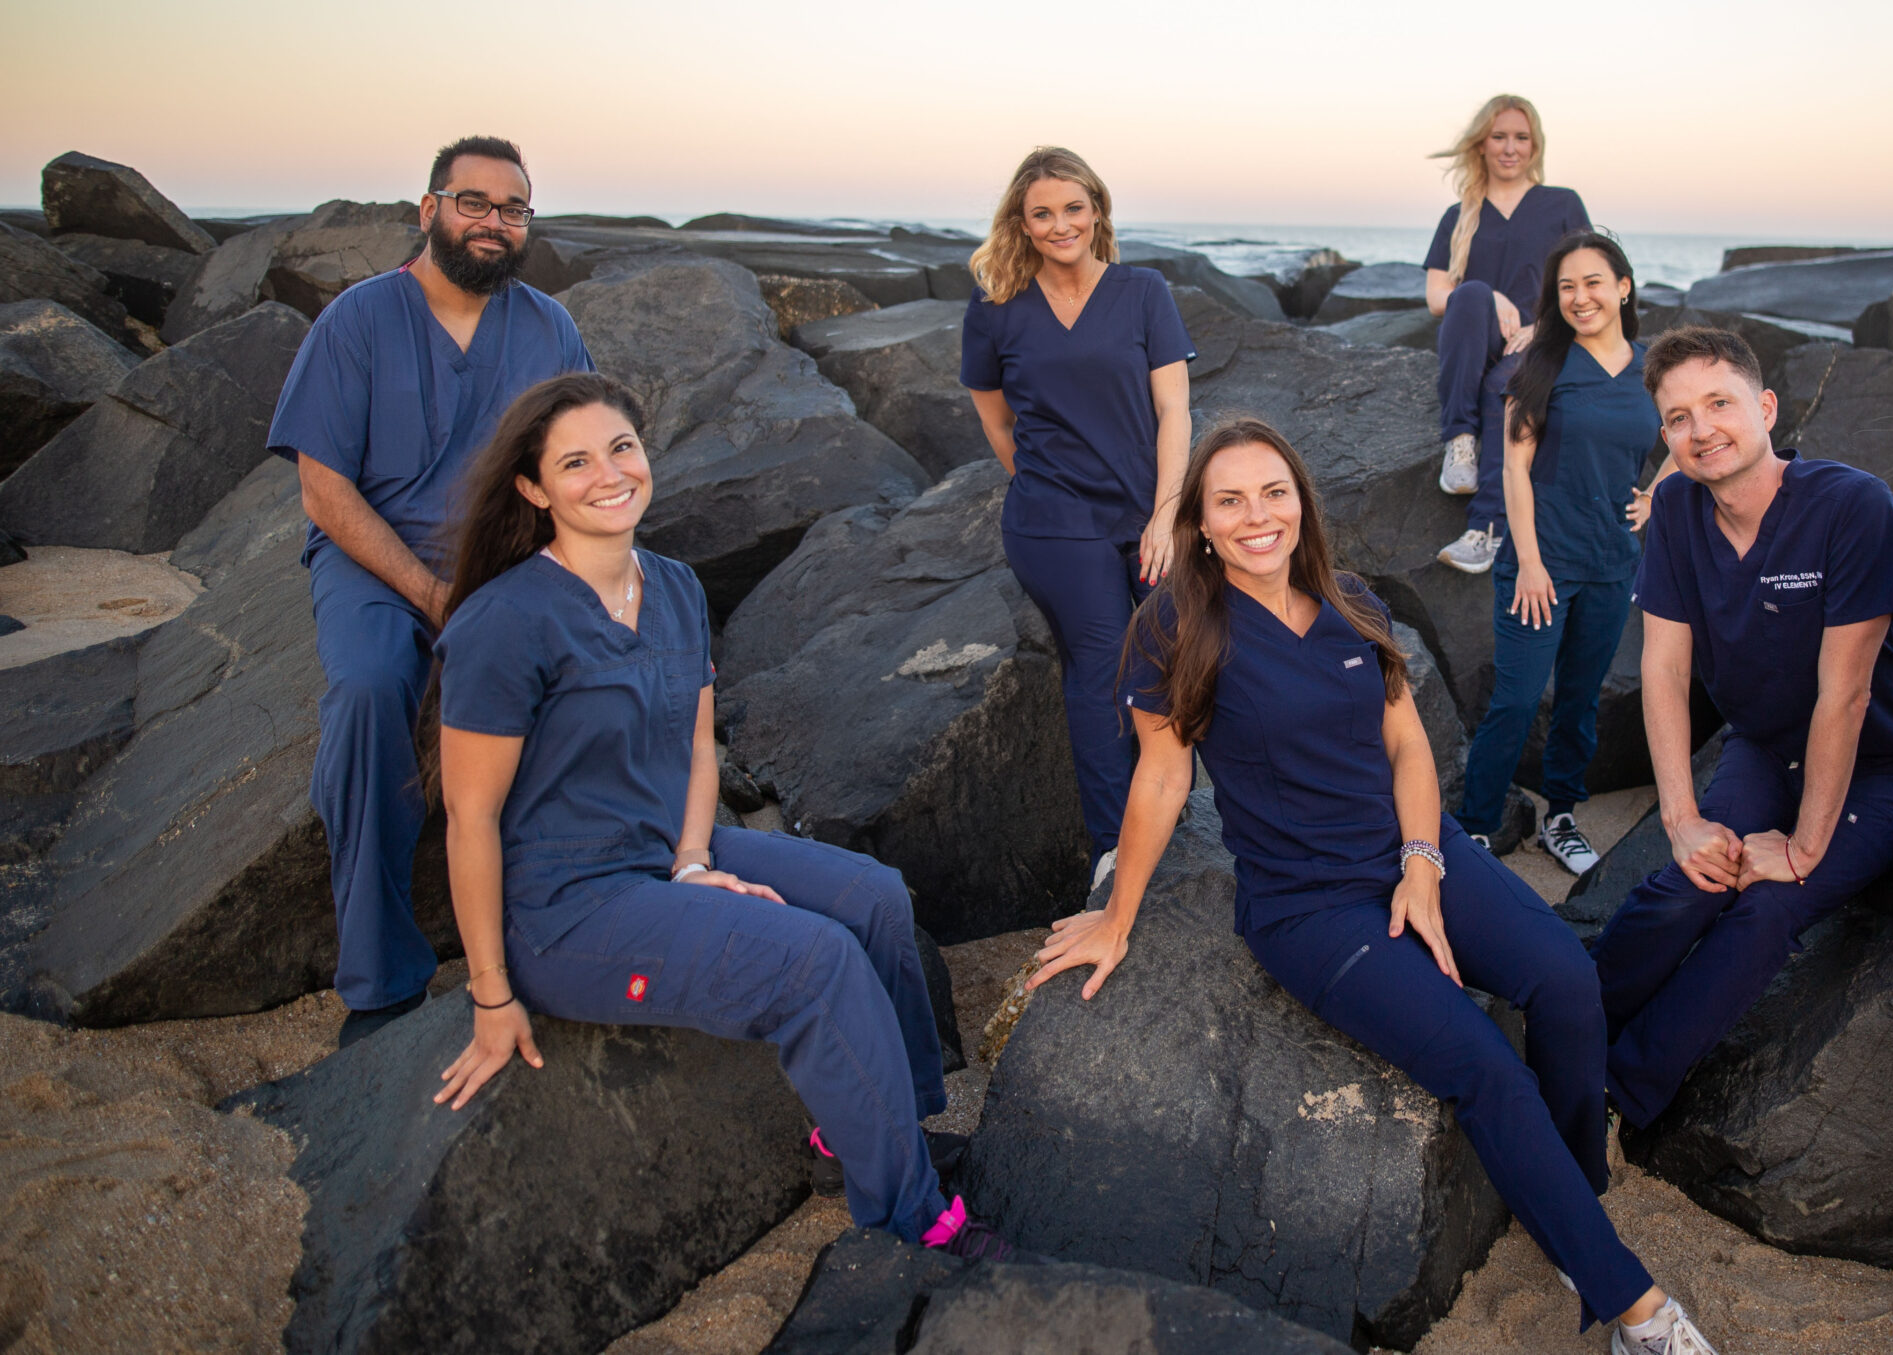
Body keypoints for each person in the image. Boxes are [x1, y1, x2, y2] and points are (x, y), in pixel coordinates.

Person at [1030, 419, 1718, 1355]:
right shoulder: (1175, 625)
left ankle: (1570, 1194)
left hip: (1411, 850)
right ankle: (1639, 1313)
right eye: (1227, 500)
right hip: (1308, 905)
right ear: (1197, 523)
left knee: (1565, 980)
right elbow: (1161, 777)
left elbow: (1406, 744)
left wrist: (1425, 866)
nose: (1256, 515)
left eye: (1274, 491)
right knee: (1483, 1066)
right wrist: (1119, 912)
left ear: (1301, 499)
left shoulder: (1351, 599)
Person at [426, 372, 1012, 1260]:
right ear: (534, 488)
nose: (609, 473)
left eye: (621, 447)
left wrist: (696, 861)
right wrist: (491, 994)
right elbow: (469, 817)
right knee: (815, 964)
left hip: (662, 846)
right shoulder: (504, 623)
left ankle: (875, 1134)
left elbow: (699, 747)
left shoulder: (670, 585)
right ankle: (911, 1222)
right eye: (574, 462)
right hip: (566, 903)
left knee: (876, 900)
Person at [266, 135, 592, 1045]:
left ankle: (566, 939)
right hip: (373, 558)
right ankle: (381, 980)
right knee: (372, 693)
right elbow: (324, 491)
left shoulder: (548, 330)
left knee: (589, 694)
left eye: (513, 209)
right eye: (474, 202)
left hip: (505, 560)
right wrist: (428, 591)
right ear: (429, 208)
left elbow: (577, 464)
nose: (494, 222)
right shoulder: (359, 320)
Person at [1588, 325, 1893, 1131]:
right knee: (1697, 873)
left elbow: (1846, 696)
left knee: (1765, 906)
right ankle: (1569, 1022)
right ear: (1665, 435)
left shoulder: (1851, 504)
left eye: (1719, 402)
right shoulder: (1680, 505)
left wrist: (1803, 847)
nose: (1702, 428)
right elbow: (1664, 670)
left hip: (1885, 767)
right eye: (1678, 417)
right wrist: (1682, 821)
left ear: (1766, 405)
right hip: (1764, 747)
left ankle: (1617, 1095)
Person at [962, 147, 1194, 889]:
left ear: (1096, 210)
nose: (1060, 224)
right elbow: (997, 425)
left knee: (1171, 654)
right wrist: (1046, 489)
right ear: (1022, 224)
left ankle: (1172, 807)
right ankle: (1113, 849)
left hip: (1144, 512)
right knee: (1101, 659)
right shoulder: (996, 305)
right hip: (1053, 520)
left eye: (1073, 207)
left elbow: (1175, 411)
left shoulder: (1142, 290)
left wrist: (1164, 516)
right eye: (1042, 213)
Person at [1455, 233, 1660, 876]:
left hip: (1611, 562)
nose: (1580, 297)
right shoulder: (1541, 366)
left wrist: (1656, 493)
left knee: (1579, 699)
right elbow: (1514, 469)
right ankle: (1477, 829)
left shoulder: (1653, 366)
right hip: (1537, 567)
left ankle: (1561, 819)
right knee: (1516, 701)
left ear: (1623, 287)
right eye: (1567, 286)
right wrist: (1532, 561)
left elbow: (1695, 429)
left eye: (1594, 282)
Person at [1423, 95, 1592, 575]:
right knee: (1469, 293)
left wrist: (1545, 325)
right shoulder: (1461, 213)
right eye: (1499, 137)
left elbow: (1584, 279)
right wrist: (1490, 295)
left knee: (1506, 388)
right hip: (1483, 335)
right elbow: (1438, 294)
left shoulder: (1562, 204)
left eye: (1521, 138)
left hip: (1542, 338)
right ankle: (1459, 443)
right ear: (1481, 144)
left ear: (1535, 145)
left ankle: (1487, 531)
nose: (1510, 148)